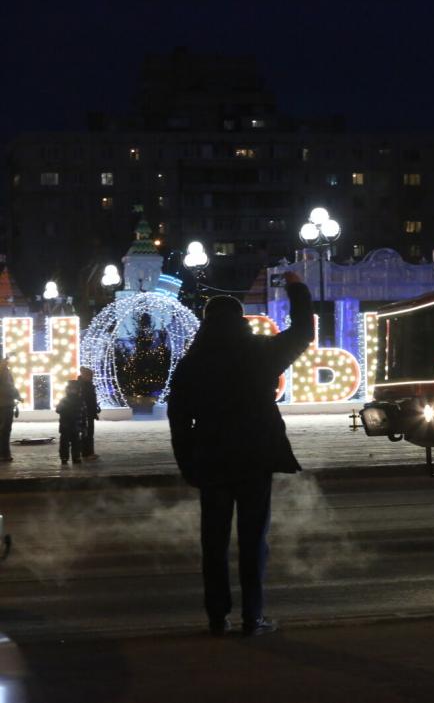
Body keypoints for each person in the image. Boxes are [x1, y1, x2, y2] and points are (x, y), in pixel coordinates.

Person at [167, 272, 312, 637]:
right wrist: (296, 288)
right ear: (241, 318)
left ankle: (217, 617)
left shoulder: (191, 363)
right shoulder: (261, 352)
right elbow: (303, 332)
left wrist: (187, 463)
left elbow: (179, 419)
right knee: (253, 539)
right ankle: (253, 616)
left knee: (213, 542)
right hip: (254, 456)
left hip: (211, 458)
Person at [56, 380, 84, 466]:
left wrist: (83, 426)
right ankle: (64, 457)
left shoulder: (80, 401)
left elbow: (83, 413)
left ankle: (76, 457)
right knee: (65, 442)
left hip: (75, 425)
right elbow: (58, 410)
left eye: (74, 389)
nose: (72, 391)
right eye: (70, 389)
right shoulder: (65, 400)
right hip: (66, 425)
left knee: (76, 442)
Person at [78, 367, 101, 461]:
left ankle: (89, 452)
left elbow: (92, 400)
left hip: (89, 412)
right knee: (86, 433)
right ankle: (86, 453)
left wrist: (95, 410)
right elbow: (85, 400)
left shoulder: (88, 385)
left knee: (89, 433)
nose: (91, 377)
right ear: (85, 375)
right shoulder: (82, 386)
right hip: (85, 413)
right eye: (90, 375)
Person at [0, 358, 20, 462]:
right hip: (5, 404)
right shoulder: (4, 371)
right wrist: (17, 396)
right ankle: (4, 454)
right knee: (5, 431)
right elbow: (9, 387)